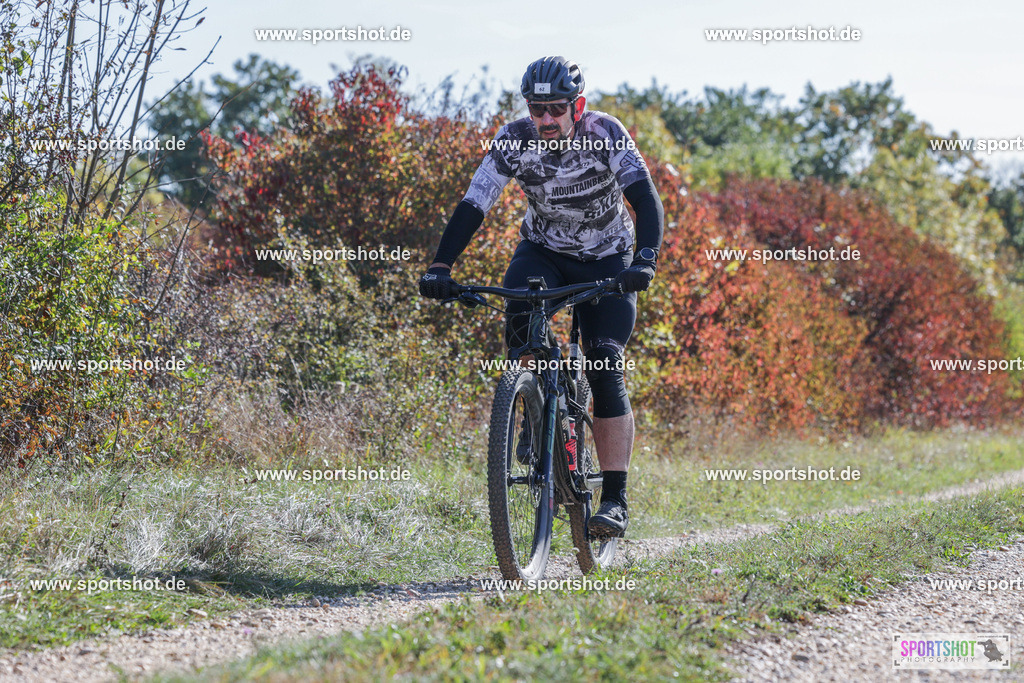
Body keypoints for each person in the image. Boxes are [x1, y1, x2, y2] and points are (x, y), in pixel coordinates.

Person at [419, 56, 664, 537]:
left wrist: (645, 260)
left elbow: (644, 197)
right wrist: (441, 266)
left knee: (605, 364)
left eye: (556, 109)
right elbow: (475, 203)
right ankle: (533, 409)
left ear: (578, 106)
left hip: (608, 256)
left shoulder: (605, 133)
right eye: (537, 109)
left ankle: (614, 499)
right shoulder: (513, 139)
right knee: (520, 321)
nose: (546, 119)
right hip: (543, 251)